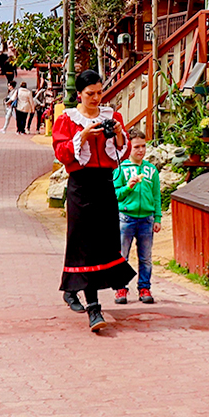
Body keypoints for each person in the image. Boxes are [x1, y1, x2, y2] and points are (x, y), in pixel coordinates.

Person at [51, 69, 135, 331]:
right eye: (90, 93)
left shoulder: (112, 116)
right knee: (83, 242)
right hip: (80, 185)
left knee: (104, 241)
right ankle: (94, 308)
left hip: (105, 184)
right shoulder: (67, 120)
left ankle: (71, 289)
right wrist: (83, 136)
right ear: (79, 94)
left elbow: (123, 151)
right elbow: (61, 154)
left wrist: (118, 134)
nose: (96, 98)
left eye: (99, 92)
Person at [111, 140, 162, 304]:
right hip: (126, 218)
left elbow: (156, 196)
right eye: (136, 147)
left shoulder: (151, 170)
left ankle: (144, 287)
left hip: (147, 219)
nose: (141, 150)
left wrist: (158, 217)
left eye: (143, 146)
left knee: (145, 257)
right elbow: (115, 195)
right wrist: (128, 187)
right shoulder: (121, 169)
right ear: (129, 149)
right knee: (122, 256)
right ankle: (120, 288)